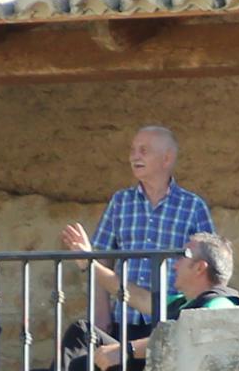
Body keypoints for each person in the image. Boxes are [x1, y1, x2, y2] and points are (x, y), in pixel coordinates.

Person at [32, 231, 239, 371]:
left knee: (81, 332)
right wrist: (89, 263)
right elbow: (134, 295)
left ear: (200, 268)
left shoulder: (220, 303)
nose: (175, 264)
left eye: (183, 257)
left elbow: (184, 338)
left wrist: (126, 350)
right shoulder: (183, 303)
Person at [58, 124, 215, 334]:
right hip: (125, 317)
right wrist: (100, 313)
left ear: (166, 159)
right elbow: (101, 258)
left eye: (144, 150)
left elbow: (209, 266)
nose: (134, 157)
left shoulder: (193, 207)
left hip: (171, 319)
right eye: (132, 150)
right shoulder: (120, 202)